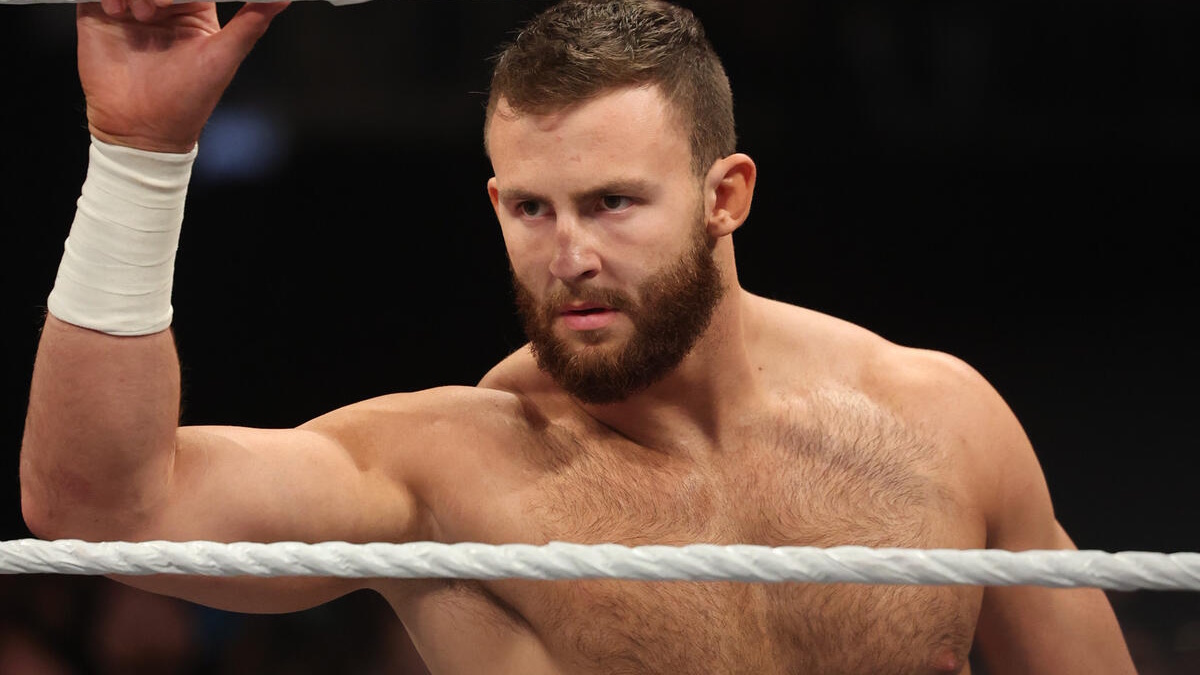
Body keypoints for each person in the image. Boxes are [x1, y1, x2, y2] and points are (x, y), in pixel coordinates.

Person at [19, 0, 1138, 673]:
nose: (568, 256)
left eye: (612, 203)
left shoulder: (942, 424)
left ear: (726, 196)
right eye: (531, 209)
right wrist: (139, 148)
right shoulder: (446, 470)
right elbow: (100, 511)